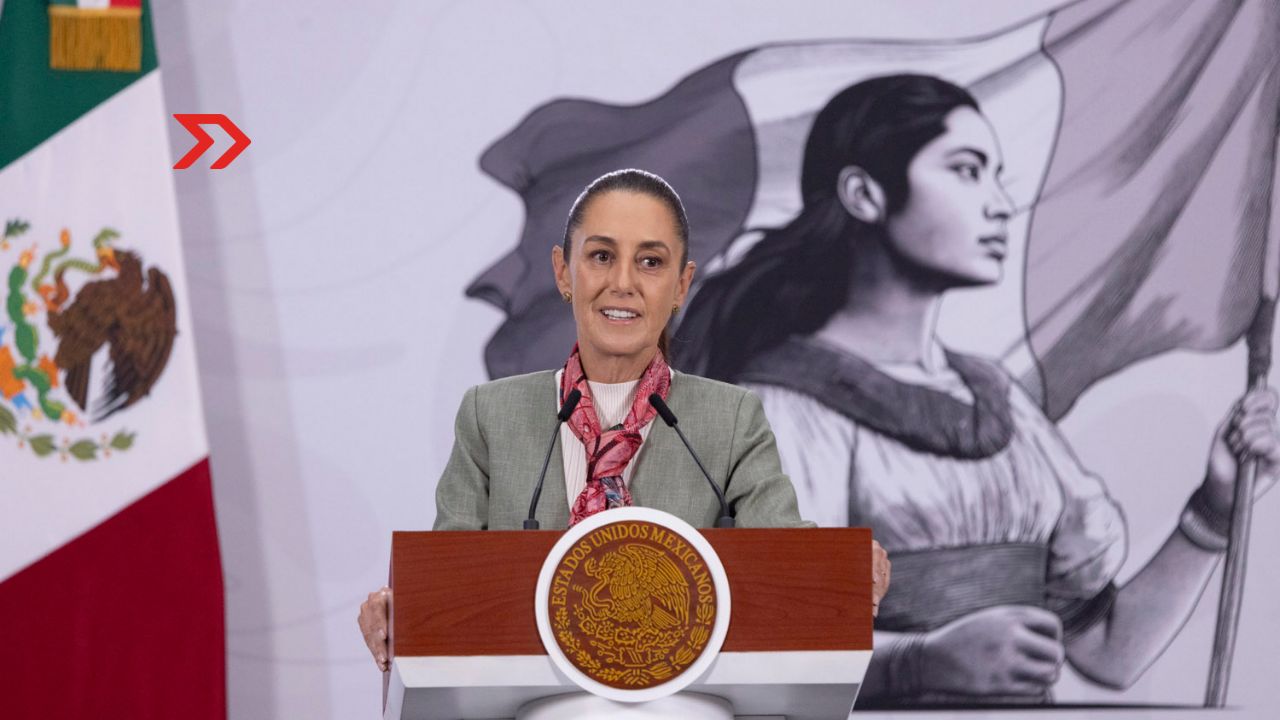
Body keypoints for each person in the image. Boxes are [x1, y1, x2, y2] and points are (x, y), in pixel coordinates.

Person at [678, 74, 1280, 705]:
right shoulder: (783, 409)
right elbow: (759, 661)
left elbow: (1108, 651)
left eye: (997, 176)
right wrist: (916, 664)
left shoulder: (1001, 403)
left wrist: (1215, 507)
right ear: (864, 194)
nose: (999, 204)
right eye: (967, 171)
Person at [358, 168, 892, 671]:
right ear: (563, 272)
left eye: (651, 262)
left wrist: (844, 567)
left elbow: (788, 558)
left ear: (681, 286)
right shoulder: (491, 416)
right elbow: (446, 583)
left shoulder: (730, 419)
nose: (623, 282)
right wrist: (398, 608)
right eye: (601, 256)